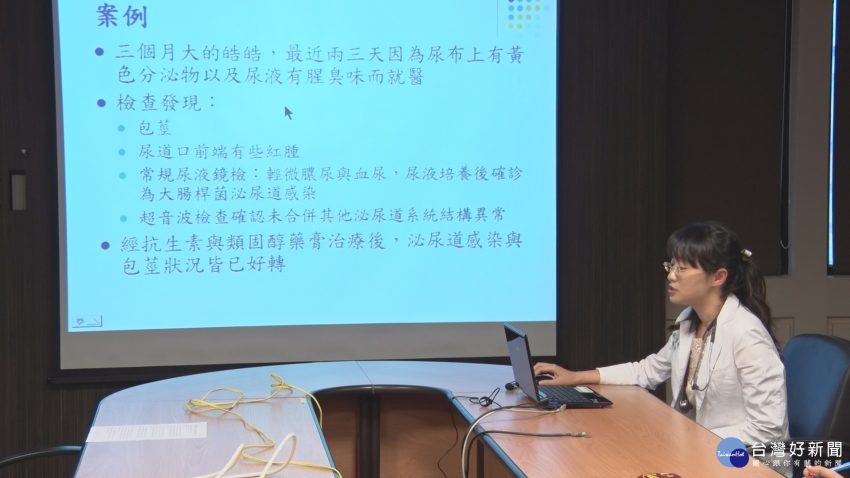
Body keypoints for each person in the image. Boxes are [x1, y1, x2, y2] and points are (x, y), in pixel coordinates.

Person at [534, 221, 789, 445]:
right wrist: (576, 377)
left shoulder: (746, 333)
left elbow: (768, 429)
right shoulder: (689, 320)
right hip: (696, 448)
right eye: (671, 265)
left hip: (742, 461)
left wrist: (690, 438)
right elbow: (649, 370)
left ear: (718, 277)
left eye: (682, 269)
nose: (671, 276)